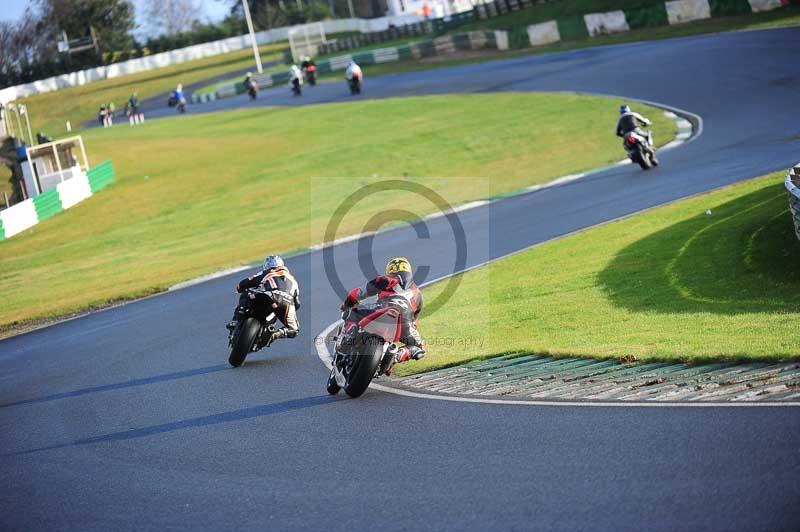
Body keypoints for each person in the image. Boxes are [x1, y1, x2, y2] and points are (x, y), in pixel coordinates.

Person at [341, 257, 426, 367]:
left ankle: (348, 339)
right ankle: (398, 355)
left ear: (390, 270)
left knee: (352, 312)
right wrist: (410, 328)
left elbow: (359, 292)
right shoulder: (418, 293)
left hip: (383, 309)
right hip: (404, 321)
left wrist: (347, 304)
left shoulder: (386, 279)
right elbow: (415, 319)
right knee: (420, 347)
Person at [227, 255, 300, 346]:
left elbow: (247, 282)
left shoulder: (268, 272)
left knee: (245, 294)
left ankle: (235, 320)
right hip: (287, 303)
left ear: (266, 266)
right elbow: (297, 304)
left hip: (270, 296)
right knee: (294, 330)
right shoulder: (293, 280)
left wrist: (239, 288)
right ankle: (274, 335)